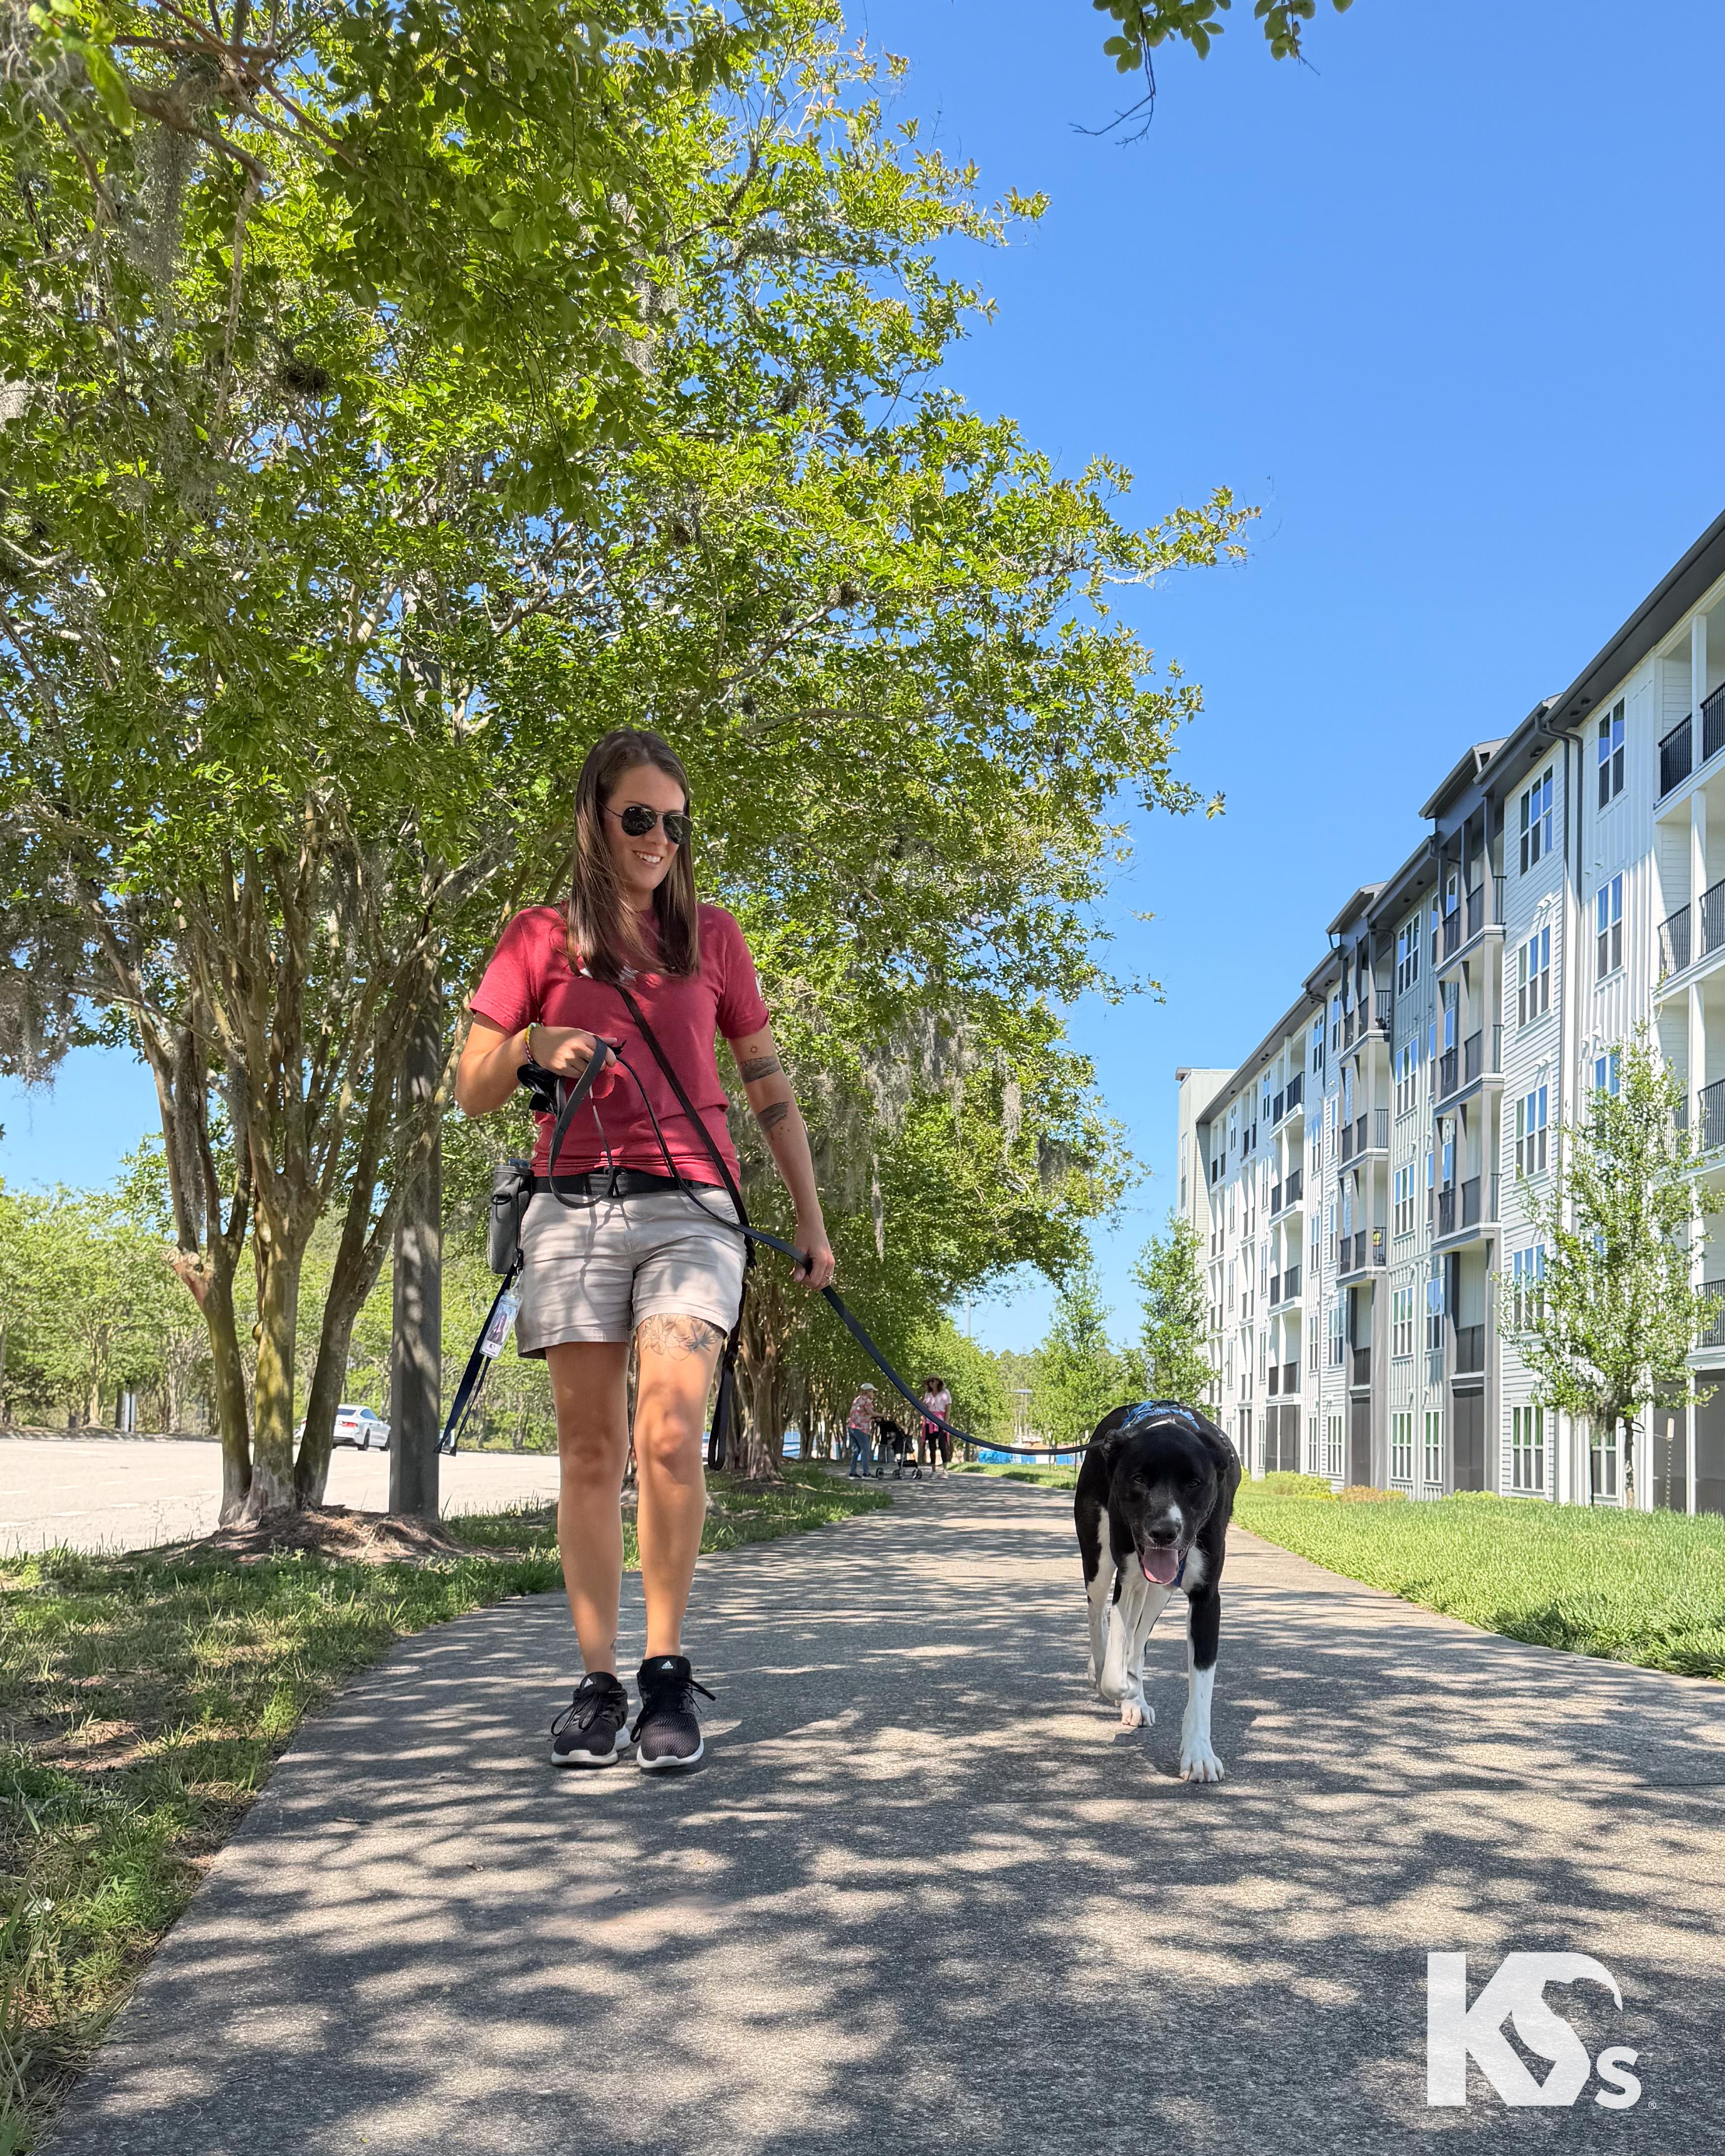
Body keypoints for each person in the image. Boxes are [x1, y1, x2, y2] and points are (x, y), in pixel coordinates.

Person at [455, 728, 836, 1772]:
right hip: (572, 1204)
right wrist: (531, 1043)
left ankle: (666, 1671)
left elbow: (769, 1088)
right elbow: (473, 1082)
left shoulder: (714, 937)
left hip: (694, 1209)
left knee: (668, 1436)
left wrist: (811, 1221)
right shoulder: (538, 936)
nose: (659, 837)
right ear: (596, 817)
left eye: (674, 821)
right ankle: (596, 1680)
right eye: (639, 817)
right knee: (588, 1452)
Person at [921, 1377, 952, 1478]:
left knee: (943, 1446)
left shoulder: (945, 1393)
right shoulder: (928, 1395)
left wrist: (946, 1424)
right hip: (930, 1422)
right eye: (929, 1381)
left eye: (933, 1381)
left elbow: (948, 1409)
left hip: (941, 1422)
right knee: (932, 1446)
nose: (931, 1383)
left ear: (938, 1382)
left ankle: (945, 1470)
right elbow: (924, 1407)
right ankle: (933, 1470)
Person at [846, 1382, 876, 1479]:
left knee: (856, 1450)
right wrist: (883, 1415)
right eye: (873, 1392)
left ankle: (853, 1472)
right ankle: (866, 1473)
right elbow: (871, 1412)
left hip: (852, 1427)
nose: (874, 1395)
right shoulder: (866, 1400)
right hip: (861, 1429)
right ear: (869, 1392)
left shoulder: (857, 1400)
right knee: (865, 1450)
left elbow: (862, 1414)